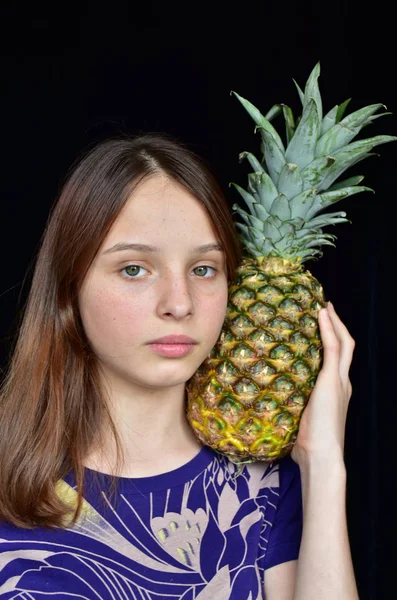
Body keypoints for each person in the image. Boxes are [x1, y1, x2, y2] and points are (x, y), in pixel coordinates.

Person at [0, 133, 358, 599]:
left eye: (204, 269)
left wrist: (324, 461)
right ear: (70, 289)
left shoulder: (265, 489)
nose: (179, 303)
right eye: (134, 268)